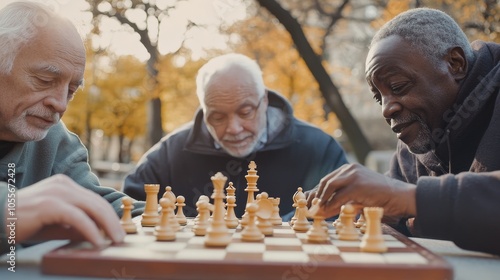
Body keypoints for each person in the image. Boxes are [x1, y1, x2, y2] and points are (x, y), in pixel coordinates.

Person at [310, 8, 500, 256]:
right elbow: (392, 226)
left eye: (398, 86)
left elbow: (403, 197)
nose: (387, 109)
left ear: (456, 64)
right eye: (379, 98)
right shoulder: (415, 138)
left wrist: (409, 198)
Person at [123, 53, 348, 218]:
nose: (234, 128)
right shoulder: (168, 155)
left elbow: (344, 215)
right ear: (204, 110)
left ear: (265, 101)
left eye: (245, 112)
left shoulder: (320, 148)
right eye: (218, 117)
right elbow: (129, 210)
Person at [0, 1, 143, 255]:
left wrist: (174, 218)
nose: (61, 104)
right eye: (45, 80)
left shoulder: (54, 138)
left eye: (71, 90)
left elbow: (98, 204)